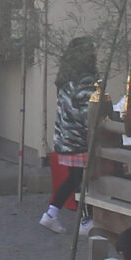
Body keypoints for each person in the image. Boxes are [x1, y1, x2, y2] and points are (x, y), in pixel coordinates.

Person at [42, 38, 98, 231]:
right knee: (83, 181)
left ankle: (51, 213)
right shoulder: (85, 83)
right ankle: (86, 220)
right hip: (81, 141)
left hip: (66, 139)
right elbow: (87, 113)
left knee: (75, 179)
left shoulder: (66, 80)